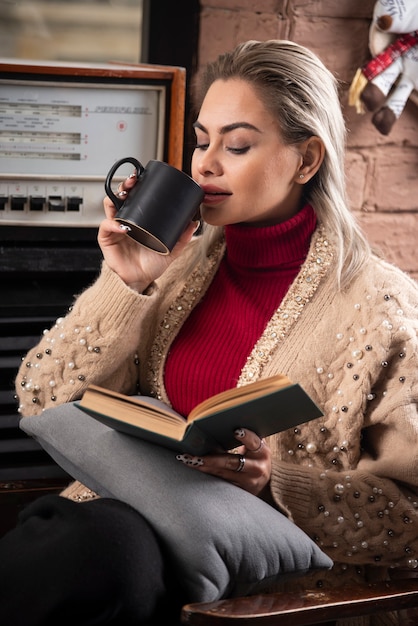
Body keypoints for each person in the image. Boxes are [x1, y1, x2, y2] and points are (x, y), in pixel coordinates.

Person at [1, 39, 418, 626]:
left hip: (256, 586)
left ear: (307, 160)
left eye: (238, 144)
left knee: (96, 554)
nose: (205, 164)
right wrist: (128, 285)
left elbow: (409, 517)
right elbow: (42, 402)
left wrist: (276, 486)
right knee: (85, 545)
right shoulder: (175, 268)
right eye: (201, 141)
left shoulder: (382, 309)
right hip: (113, 543)